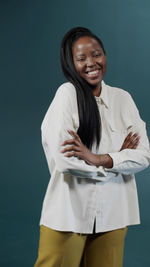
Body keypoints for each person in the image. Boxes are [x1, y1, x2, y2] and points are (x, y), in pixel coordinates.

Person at [34, 27, 150, 267]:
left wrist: (98, 158)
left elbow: (143, 156)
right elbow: (65, 161)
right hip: (68, 213)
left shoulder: (123, 99)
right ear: (71, 63)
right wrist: (117, 161)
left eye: (96, 54)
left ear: (105, 55)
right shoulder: (66, 95)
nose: (91, 63)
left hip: (114, 214)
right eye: (81, 58)